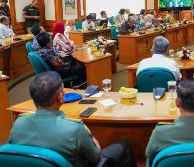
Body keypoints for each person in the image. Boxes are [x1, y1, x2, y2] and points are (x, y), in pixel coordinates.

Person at [9, 71, 137, 167]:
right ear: (60, 97)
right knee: (124, 146)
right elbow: (95, 156)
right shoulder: (75, 128)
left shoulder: (18, 123)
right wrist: (90, 135)